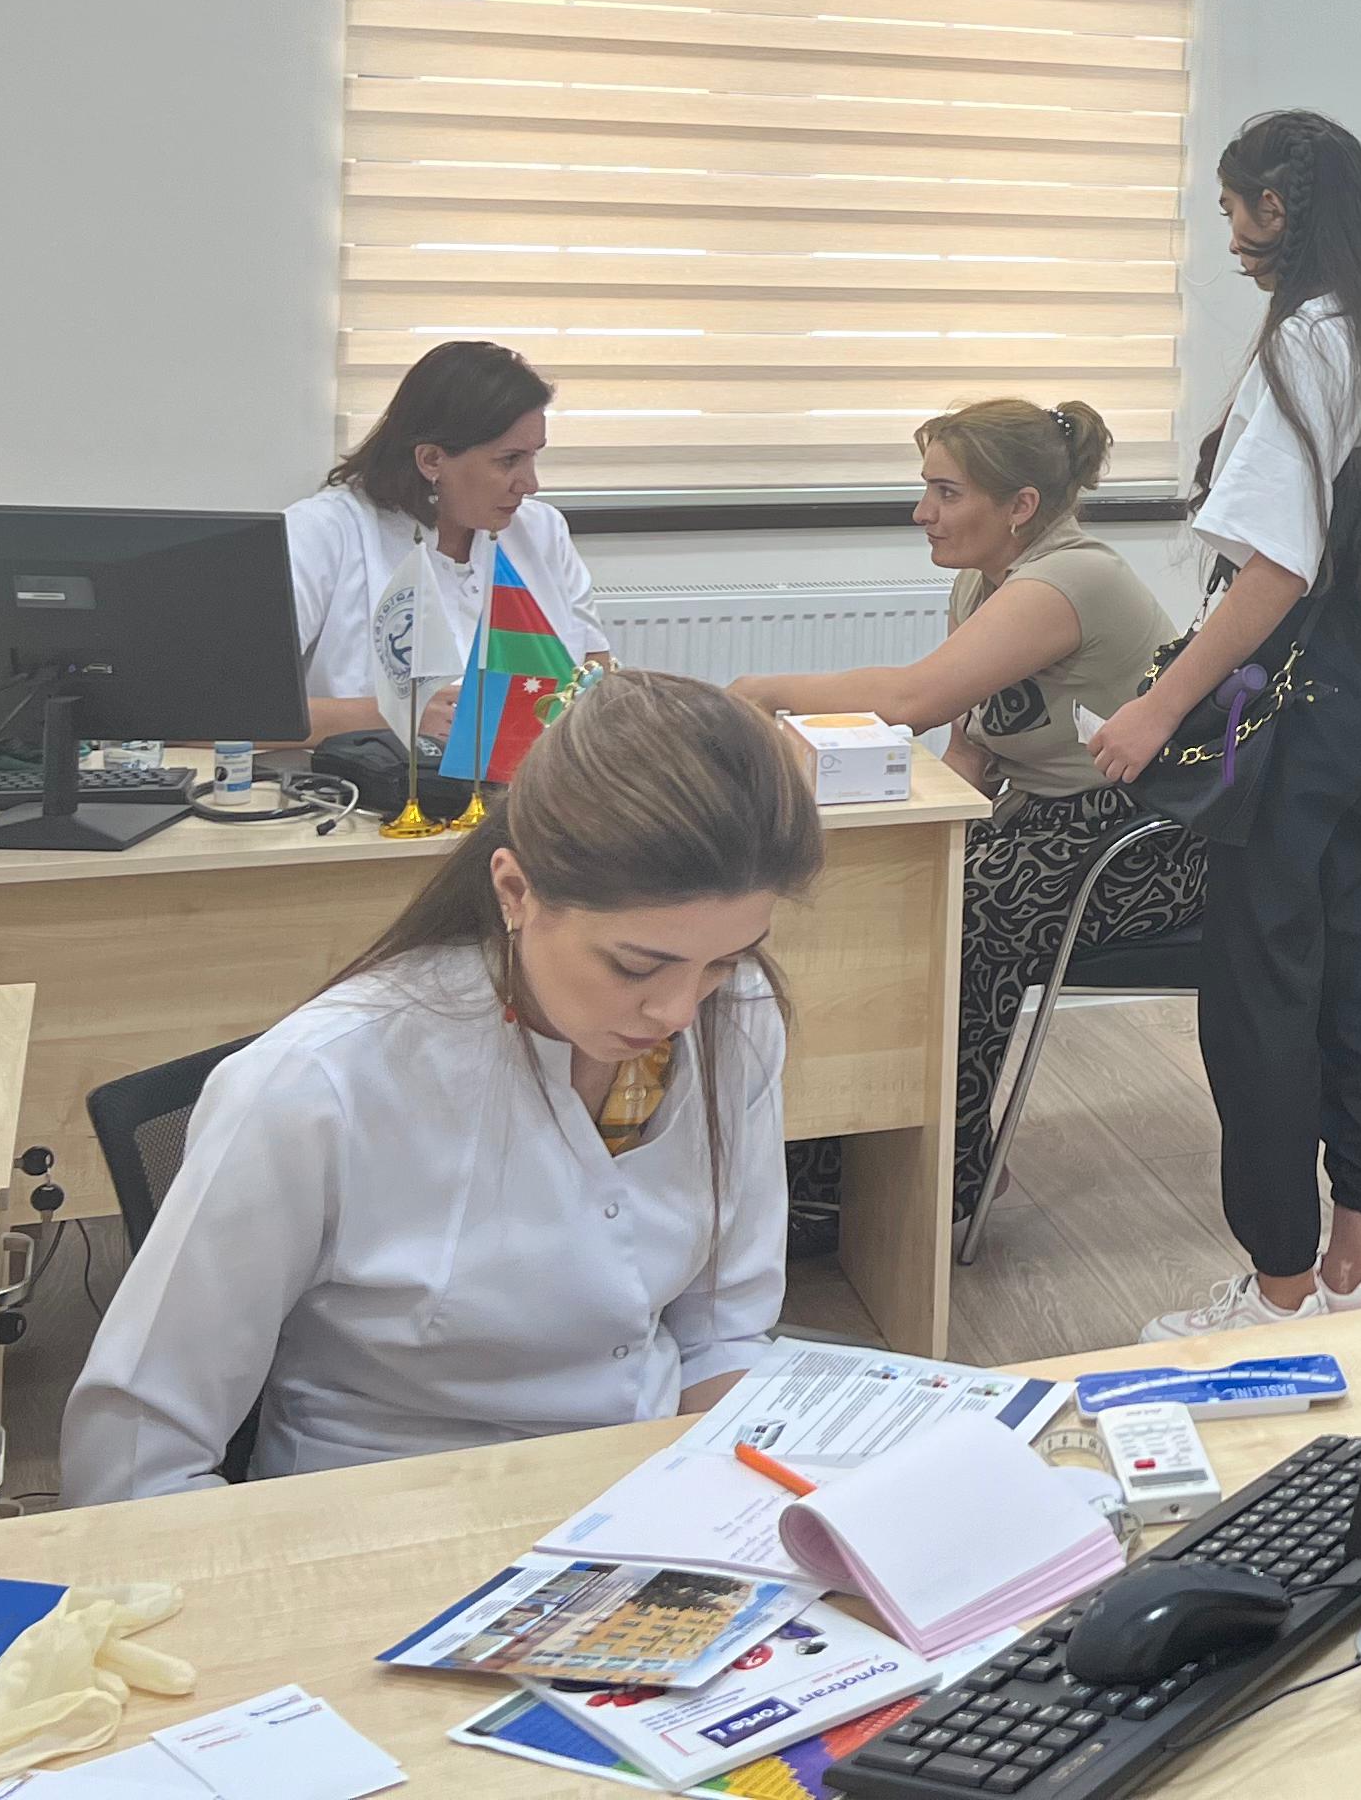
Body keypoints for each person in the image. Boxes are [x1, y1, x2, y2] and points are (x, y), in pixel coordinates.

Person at [61, 671, 820, 1499]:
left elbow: (722, 1333)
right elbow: (136, 1458)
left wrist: (743, 1509)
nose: (677, 1009)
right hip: (386, 1512)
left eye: (724, 960)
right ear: (515, 892)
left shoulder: (735, 1019)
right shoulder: (317, 1084)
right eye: (637, 965)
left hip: (628, 1495)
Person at [1088, 111, 1361, 1340]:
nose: (1231, 239)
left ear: (1285, 206)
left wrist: (1156, 711)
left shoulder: (1310, 343)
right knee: (1358, 968)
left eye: (1238, 209)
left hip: (1294, 717)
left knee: (1262, 990)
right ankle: (1356, 1268)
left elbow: (1273, 571)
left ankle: (1276, 1291)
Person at [733, 398, 1186, 1233]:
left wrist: (761, 690)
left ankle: (946, 1179)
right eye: (926, 488)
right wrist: (917, 846)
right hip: (1049, 818)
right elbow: (972, 746)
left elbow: (913, 697)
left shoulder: (1072, 577)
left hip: (1143, 834)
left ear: (1020, 506)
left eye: (946, 492)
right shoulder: (985, 583)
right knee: (888, 896)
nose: (922, 512)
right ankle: (834, 1165)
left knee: (966, 917)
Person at [288, 339, 610, 752]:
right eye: (509, 460)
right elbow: (218, 714)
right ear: (431, 460)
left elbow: (595, 677)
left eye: (533, 457)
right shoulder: (322, 532)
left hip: (530, 794)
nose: (531, 484)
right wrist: (396, 714)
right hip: (370, 797)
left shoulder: (542, 530)